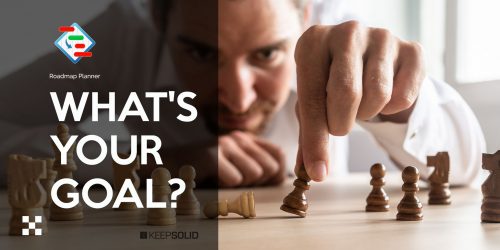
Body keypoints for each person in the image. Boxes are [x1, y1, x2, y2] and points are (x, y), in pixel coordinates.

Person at [0, 0, 485, 188]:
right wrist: (142, 162)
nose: (234, 95)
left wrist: (396, 106)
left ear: (305, 15)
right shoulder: (109, 35)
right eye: (201, 54)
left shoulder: (345, 35)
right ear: (156, 18)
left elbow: (464, 168)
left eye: (268, 55)